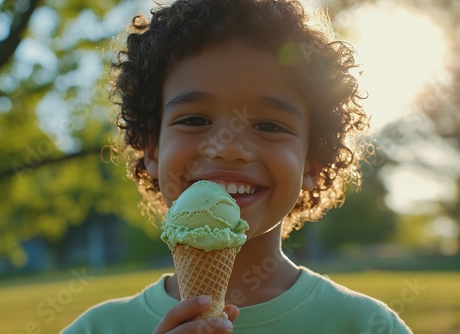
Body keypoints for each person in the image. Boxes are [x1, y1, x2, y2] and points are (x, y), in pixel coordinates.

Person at [63, 0, 412, 333]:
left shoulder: (365, 325)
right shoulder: (98, 328)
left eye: (269, 126)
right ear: (152, 151)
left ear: (312, 163)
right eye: (195, 119)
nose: (228, 148)